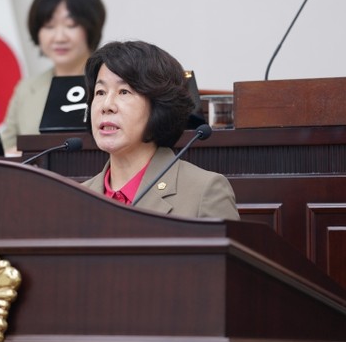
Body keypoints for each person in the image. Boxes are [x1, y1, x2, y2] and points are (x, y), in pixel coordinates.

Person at [81, 40, 240, 220]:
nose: (106, 105)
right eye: (100, 92)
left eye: (124, 92)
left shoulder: (205, 191)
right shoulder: (74, 197)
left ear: (159, 107)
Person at [0, 0, 106, 153]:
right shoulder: (26, 89)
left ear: (91, 26)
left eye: (71, 25)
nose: (59, 37)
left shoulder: (114, 82)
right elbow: (3, 151)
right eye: (49, 26)